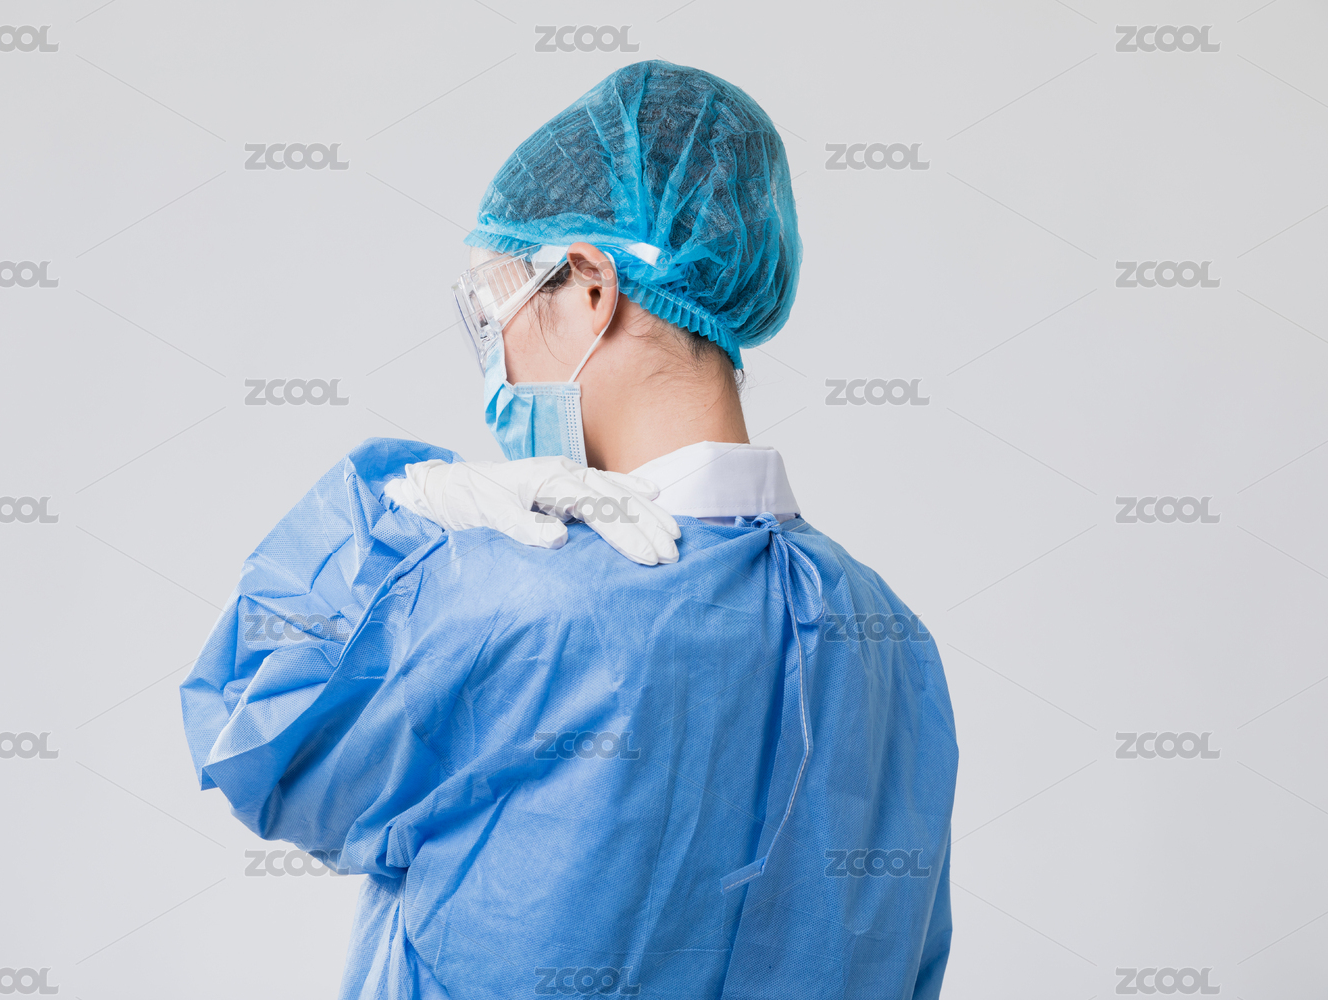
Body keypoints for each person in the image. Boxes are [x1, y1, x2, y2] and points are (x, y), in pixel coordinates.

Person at [182, 61, 957, 999]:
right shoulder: (892, 644)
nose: (494, 362)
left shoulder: (509, 600)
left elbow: (254, 739)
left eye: (491, 312)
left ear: (591, 285)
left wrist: (398, 510)